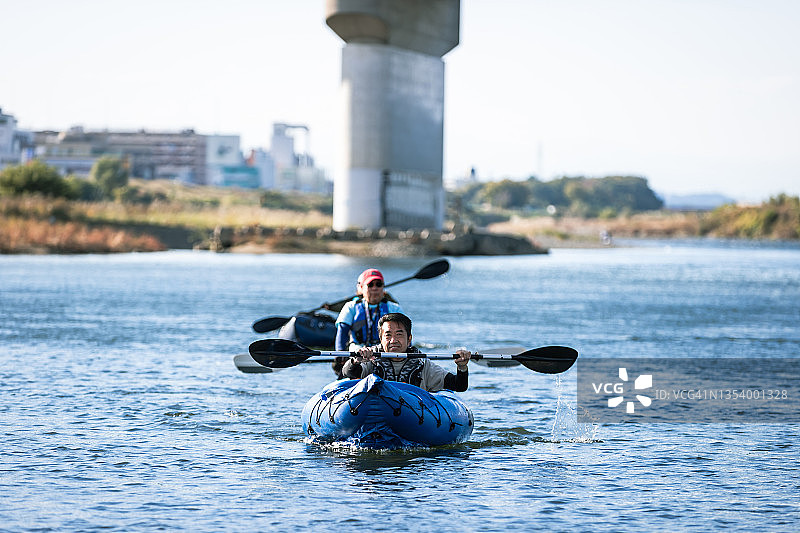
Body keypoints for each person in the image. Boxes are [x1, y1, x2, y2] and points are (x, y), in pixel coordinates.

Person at [342, 312, 472, 393]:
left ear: (409, 339)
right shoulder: (371, 358)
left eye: (399, 334)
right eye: (388, 335)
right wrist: (356, 360)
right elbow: (348, 373)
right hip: (375, 414)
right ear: (381, 339)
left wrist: (462, 367)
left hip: (411, 418)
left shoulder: (423, 364)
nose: (393, 340)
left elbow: (459, 386)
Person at [331, 268, 403, 377]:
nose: (374, 288)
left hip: (385, 352)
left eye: (378, 284)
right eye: (370, 285)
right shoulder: (351, 307)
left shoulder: (394, 308)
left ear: (383, 288)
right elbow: (342, 333)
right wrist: (340, 355)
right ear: (361, 288)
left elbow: (404, 336)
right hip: (358, 351)